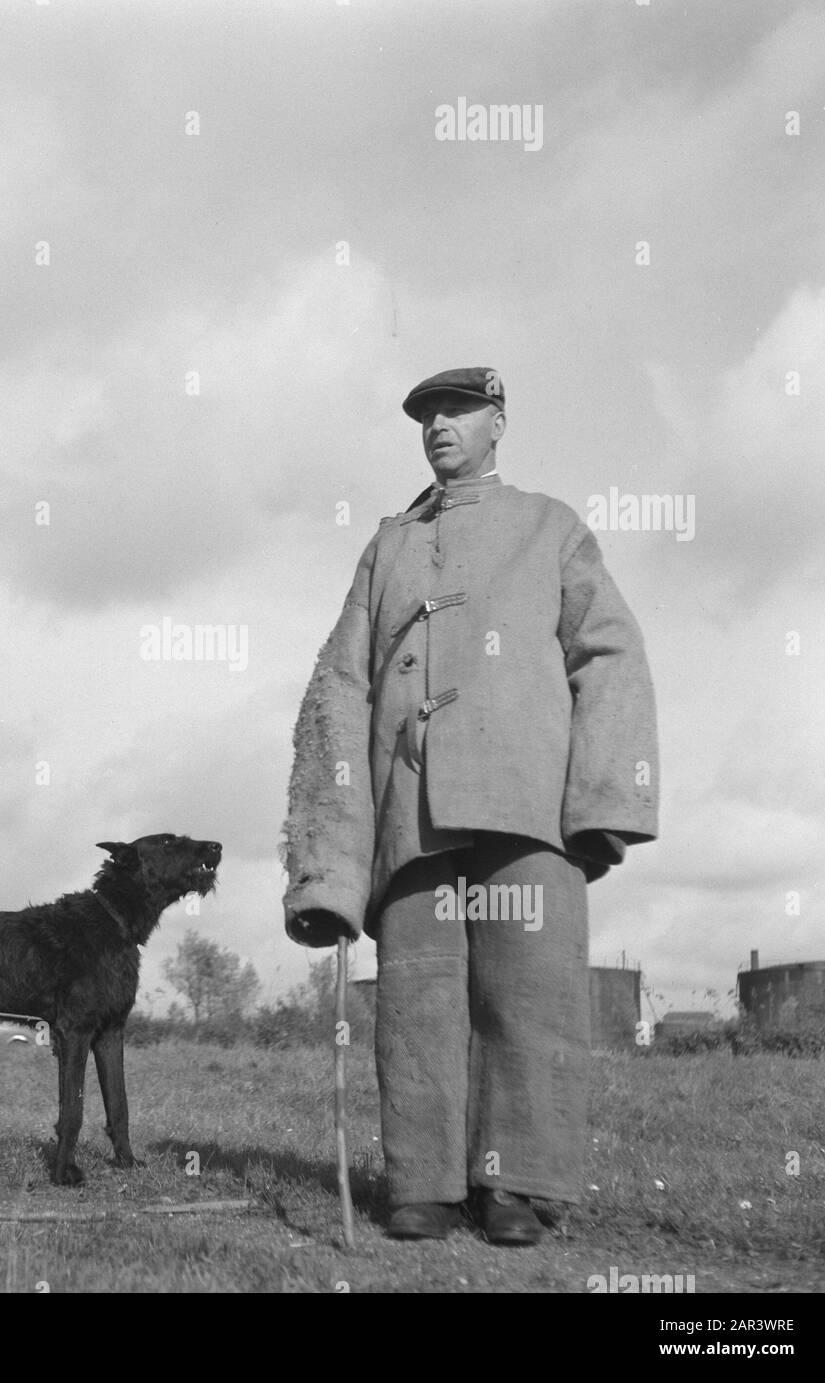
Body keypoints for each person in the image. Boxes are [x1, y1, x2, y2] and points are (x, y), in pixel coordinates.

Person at [283, 367, 658, 1245]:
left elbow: (610, 654)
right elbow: (339, 691)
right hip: (411, 814)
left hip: (529, 811)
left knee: (531, 998)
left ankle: (517, 1186)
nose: (438, 426)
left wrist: (601, 799)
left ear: (498, 421)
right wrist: (329, 866)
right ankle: (425, 1182)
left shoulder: (550, 527)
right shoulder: (387, 547)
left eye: (457, 411)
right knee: (418, 999)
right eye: (425, 415)